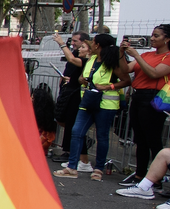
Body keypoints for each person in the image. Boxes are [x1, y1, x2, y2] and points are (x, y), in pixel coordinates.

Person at [53, 34, 128, 181]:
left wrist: (108, 87)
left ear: (97, 45)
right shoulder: (91, 60)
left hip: (106, 104)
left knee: (102, 135)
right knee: (76, 131)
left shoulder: (111, 62)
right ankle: (72, 167)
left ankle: (98, 169)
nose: (91, 44)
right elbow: (84, 76)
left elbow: (126, 81)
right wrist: (82, 79)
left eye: (93, 42)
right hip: (87, 101)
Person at [120, 24, 170, 185]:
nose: (152, 39)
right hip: (138, 96)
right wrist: (121, 53)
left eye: (156, 36)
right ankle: (140, 174)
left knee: (152, 139)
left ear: (167, 39)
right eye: (152, 35)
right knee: (140, 139)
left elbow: (154, 73)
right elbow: (126, 69)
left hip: (153, 98)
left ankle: (156, 178)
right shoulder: (147, 54)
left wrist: (137, 56)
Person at [50, 31, 91, 162]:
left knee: (73, 125)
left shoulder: (86, 60)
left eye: (76, 42)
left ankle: (75, 155)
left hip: (77, 95)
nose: (73, 44)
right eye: (71, 41)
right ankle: (72, 149)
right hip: (67, 92)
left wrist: (62, 44)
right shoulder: (76, 55)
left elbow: (72, 60)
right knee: (63, 119)